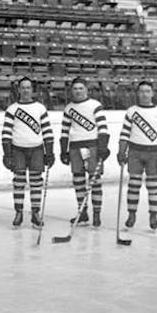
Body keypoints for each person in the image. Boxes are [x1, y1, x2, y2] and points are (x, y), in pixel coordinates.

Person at [117, 81, 157, 230]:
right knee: (133, 185)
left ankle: (153, 216)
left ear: (152, 93)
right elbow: (124, 134)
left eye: (147, 91)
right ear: (137, 93)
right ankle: (131, 214)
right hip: (135, 152)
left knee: (153, 186)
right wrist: (122, 151)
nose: (144, 94)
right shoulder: (131, 111)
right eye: (141, 91)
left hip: (154, 153)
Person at [2, 77, 55, 227]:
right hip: (18, 148)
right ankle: (18, 212)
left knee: (36, 182)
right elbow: (6, 133)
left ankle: (35, 213)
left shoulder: (40, 108)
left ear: (32, 90)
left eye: (28, 87)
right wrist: (7, 154)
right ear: (18, 90)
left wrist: (49, 152)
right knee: (18, 182)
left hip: (37, 149)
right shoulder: (12, 109)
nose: (25, 90)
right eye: (23, 87)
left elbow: (47, 131)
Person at [60, 77, 109, 227]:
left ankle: (97, 214)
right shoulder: (69, 108)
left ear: (86, 90)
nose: (78, 91)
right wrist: (63, 150)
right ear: (71, 91)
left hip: (92, 146)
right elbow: (64, 131)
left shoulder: (95, 105)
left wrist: (102, 147)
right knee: (78, 182)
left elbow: (103, 127)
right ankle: (82, 213)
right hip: (74, 147)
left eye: (81, 88)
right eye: (75, 88)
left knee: (95, 182)